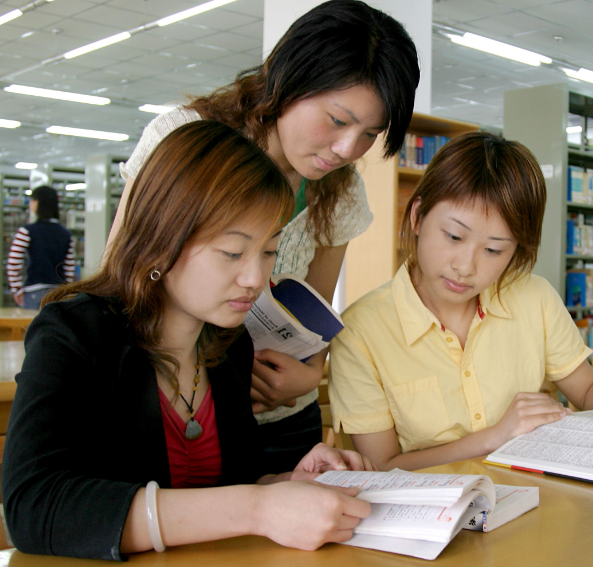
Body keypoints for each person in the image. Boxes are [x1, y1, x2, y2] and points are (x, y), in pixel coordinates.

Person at [1, 121, 375, 561]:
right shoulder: (75, 332)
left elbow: (227, 490)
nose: (255, 278)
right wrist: (257, 507)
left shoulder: (229, 344)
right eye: (232, 252)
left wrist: (285, 485)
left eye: (269, 252)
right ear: (163, 237)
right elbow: (33, 507)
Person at [106, 0, 420, 472]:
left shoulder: (340, 189)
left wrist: (309, 375)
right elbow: (117, 281)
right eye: (338, 120)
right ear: (290, 81)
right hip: (173, 404)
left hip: (282, 416)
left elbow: (312, 316)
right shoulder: (184, 139)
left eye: (369, 134)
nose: (346, 149)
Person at [327, 132, 593, 472]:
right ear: (418, 216)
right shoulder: (360, 331)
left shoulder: (534, 297)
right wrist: (495, 437)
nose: (466, 267)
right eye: (454, 236)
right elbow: (383, 467)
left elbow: (587, 389)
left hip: (536, 496)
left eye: (493, 250)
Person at [6, 185, 75, 309]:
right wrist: (67, 292)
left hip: (34, 292)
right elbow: (69, 267)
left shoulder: (26, 231)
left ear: (36, 202)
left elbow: (13, 262)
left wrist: (17, 290)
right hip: (58, 293)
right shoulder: (66, 234)